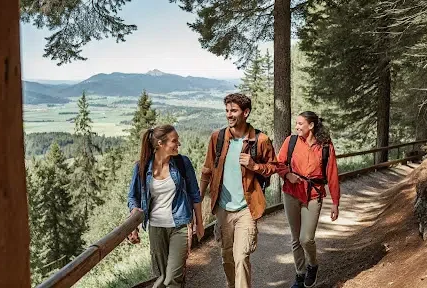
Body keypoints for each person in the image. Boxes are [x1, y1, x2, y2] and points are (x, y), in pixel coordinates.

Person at [199, 93, 277, 288]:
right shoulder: (217, 138)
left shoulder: (260, 140)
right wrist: (198, 200)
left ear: (246, 112)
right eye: (227, 110)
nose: (229, 114)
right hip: (223, 210)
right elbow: (207, 170)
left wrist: (254, 166)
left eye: (233, 110)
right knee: (227, 258)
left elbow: (273, 167)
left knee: (241, 257)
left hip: (246, 210)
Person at [127, 124, 204, 288]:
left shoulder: (182, 163)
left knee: (172, 278)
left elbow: (194, 194)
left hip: (180, 226)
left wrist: (199, 223)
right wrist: (133, 221)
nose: (179, 144)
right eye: (174, 141)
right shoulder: (141, 167)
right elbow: (133, 197)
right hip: (156, 227)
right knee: (162, 277)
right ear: (160, 144)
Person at [276, 111, 341, 288]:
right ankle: (300, 274)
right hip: (291, 193)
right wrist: (287, 174)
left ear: (311, 126)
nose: (296, 127)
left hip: (313, 195)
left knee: (306, 238)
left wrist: (335, 202)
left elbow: (332, 174)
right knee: (296, 238)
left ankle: (312, 264)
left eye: (300, 124)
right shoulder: (291, 141)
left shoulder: (325, 146)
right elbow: (279, 163)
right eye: (296, 124)